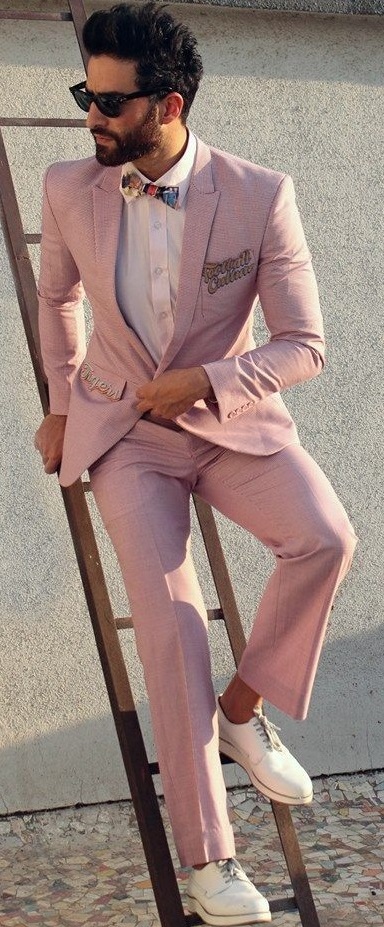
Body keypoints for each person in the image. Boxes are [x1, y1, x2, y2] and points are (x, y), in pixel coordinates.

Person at [34, 3, 357, 923]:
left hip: (229, 422)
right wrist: (60, 407)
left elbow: (305, 344)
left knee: (326, 539)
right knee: (173, 625)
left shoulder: (261, 194)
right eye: (83, 96)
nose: (88, 117)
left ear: (168, 104)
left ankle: (243, 711)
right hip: (122, 432)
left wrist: (209, 379)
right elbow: (55, 298)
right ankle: (210, 858)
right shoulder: (67, 187)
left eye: (107, 103)